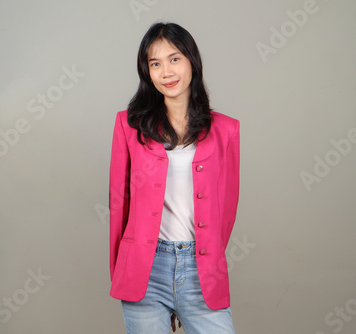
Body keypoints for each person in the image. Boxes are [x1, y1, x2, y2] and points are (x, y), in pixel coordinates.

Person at [109, 22, 240, 334]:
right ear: (147, 72)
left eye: (174, 59)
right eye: (155, 64)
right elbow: (119, 204)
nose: (166, 72)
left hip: (200, 269)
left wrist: (209, 262)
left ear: (192, 61)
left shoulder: (226, 131)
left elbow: (227, 208)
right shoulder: (128, 127)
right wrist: (122, 272)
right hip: (144, 268)